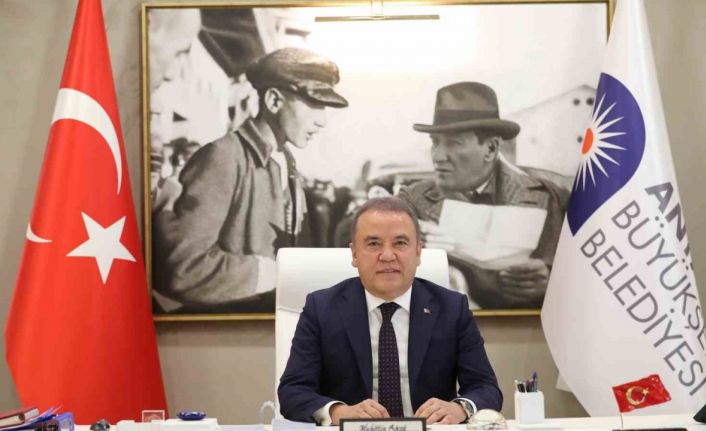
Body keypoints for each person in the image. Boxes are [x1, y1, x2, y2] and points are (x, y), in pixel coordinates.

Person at [153, 48, 348, 313]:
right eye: (313, 104)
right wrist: (275, 273)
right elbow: (182, 268)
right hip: (228, 329)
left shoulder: (287, 164)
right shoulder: (224, 157)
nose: (322, 120)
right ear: (274, 101)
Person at [278, 197, 501, 424]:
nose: (387, 256)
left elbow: (486, 388)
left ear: (418, 252)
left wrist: (460, 408)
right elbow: (292, 392)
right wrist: (338, 413)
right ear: (354, 254)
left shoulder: (452, 308)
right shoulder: (321, 309)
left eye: (400, 243)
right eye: (373, 244)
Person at [398, 82, 568, 309]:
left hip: (522, 329)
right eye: (435, 143)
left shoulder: (547, 198)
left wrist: (550, 281)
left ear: (490, 148)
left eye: (453, 143)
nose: (438, 156)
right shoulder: (412, 201)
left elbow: (581, 280)